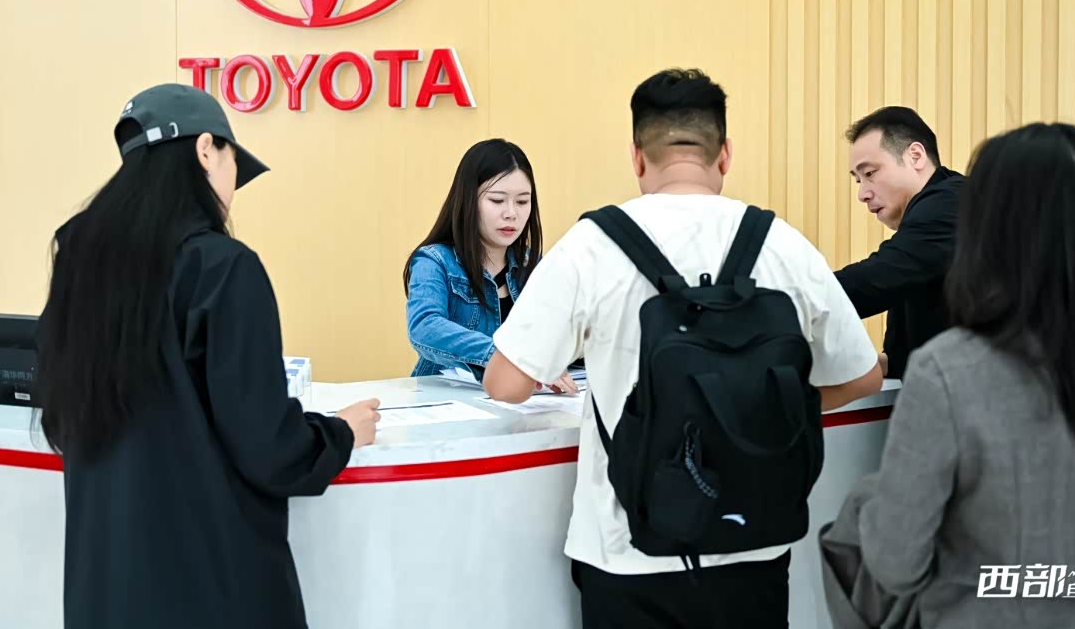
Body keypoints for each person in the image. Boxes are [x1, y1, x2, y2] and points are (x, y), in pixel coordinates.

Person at [482, 68, 882, 628]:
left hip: (626, 551)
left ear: (637, 157)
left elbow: (505, 383)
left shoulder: (592, 246)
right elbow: (862, 376)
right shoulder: (781, 244)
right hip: (754, 547)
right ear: (725, 154)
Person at [35, 83, 381, 629]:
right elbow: (268, 448)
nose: (232, 192)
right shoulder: (222, 268)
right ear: (205, 150)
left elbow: (62, 421)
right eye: (232, 167)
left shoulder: (80, 264)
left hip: (105, 590)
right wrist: (338, 434)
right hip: (211, 588)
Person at [829, 123, 1075, 628]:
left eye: (868, 172)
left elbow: (894, 564)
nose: (863, 191)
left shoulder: (949, 372)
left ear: (988, 227)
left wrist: (865, 502)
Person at [403, 138, 578, 393]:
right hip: (445, 401)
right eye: (497, 200)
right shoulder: (434, 261)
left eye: (522, 201)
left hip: (523, 402)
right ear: (468, 200)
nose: (511, 213)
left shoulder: (532, 263)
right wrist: (507, 356)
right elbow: (424, 327)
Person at [835, 107, 964, 378]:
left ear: (915, 156)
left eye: (870, 173)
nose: (862, 194)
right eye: (858, 180)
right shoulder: (925, 225)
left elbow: (875, 280)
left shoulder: (950, 204)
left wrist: (782, 302)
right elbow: (905, 357)